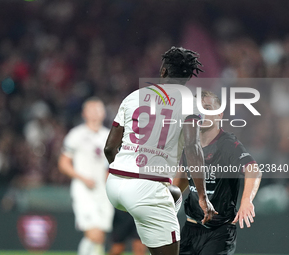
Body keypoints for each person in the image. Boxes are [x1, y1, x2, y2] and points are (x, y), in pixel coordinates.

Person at [104, 46, 217, 255]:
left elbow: (110, 148)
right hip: (147, 189)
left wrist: (123, 171)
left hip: (114, 183)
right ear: (188, 78)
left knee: (174, 194)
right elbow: (192, 148)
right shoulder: (189, 103)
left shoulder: (133, 96)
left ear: (163, 71)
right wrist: (202, 195)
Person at [174, 90, 262, 255]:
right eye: (198, 108)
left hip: (219, 233)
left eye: (208, 108)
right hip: (190, 228)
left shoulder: (228, 144)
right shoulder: (189, 145)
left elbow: (253, 170)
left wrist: (246, 201)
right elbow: (185, 177)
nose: (202, 113)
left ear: (219, 114)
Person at [59, 97, 114, 255]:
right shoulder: (76, 135)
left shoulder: (109, 136)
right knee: (93, 234)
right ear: (84, 113)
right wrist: (82, 178)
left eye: (99, 109)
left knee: (100, 236)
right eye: (92, 109)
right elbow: (63, 163)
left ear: (104, 113)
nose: (96, 113)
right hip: (84, 191)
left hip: (104, 191)